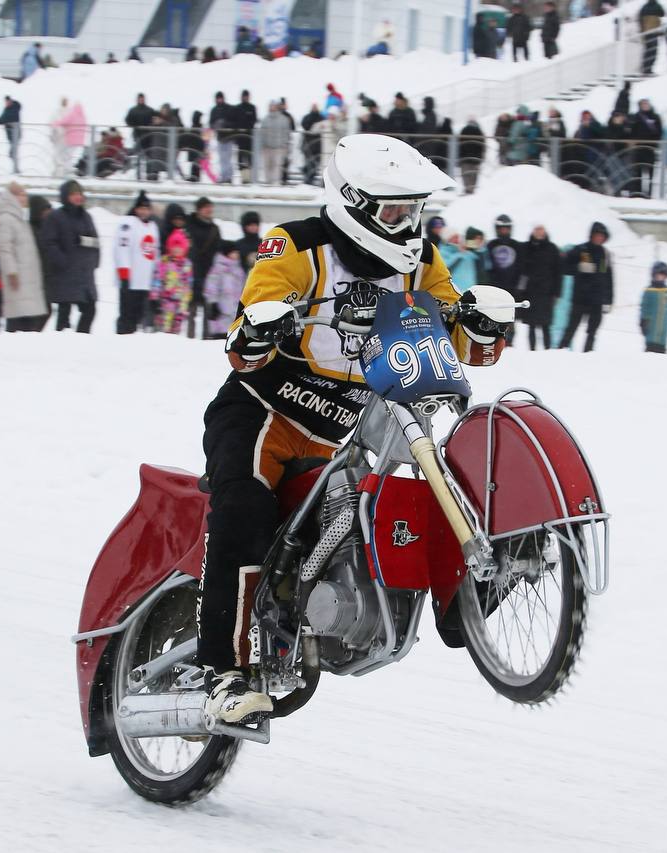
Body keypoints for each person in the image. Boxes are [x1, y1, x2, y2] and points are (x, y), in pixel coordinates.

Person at [196, 134, 511, 724]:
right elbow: (246, 341)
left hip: (338, 436)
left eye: (413, 209)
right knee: (242, 510)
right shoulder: (295, 246)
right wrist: (263, 328)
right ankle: (221, 672)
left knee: (356, 530)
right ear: (353, 202)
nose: (408, 221)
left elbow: (458, 338)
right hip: (264, 414)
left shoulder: (419, 261)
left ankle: (460, 599)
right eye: (395, 210)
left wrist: (479, 325)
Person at [40, 179, 100, 333]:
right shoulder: (56, 217)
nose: (78, 197)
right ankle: (62, 342)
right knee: (64, 311)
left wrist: (94, 262)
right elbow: (48, 243)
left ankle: (81, 337)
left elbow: (95, 242)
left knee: (90, 309)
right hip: (64, 272)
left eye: (79, 193)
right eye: (73, 194)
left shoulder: (86, 217)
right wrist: (61, 260)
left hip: (84, 273)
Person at [0, 182, 49, 332]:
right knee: (18, 321)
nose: (25, 198)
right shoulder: (7, 219)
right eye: (22, 195)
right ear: (13, 197)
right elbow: (5, 248)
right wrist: (11, 271)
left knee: (29, 320)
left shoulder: (19, 219)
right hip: (18, 277)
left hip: (27, 278)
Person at [558, 221, 613, 352]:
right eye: (597, 235)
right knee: (571, 328)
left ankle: (587, 355)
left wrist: (609, 299)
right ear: (592, 235)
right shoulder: (580, 250)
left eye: (602, 236)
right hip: (580, 299)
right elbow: (564, 266)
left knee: (592, 331)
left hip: (597, 300)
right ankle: (560, 351)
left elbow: (609, 278)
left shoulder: (605, 254)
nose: (599, 238)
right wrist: (578, 268)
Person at [115, 190, 159, 334]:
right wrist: (124, 275)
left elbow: (155, 252)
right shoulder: (127, 224)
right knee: (127, 315)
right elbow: (122, 250)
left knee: (139, 316)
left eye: (147, 209)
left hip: (145, 281)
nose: (144, 212)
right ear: (136, 209)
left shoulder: (153, 227)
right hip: (130, 280)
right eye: (141, 208)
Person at [517, 224, 561, 349]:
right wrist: (520, 290)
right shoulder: (526, 247)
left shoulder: (552, 249)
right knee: (531, 324)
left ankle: (547, 350)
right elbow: (521, 269)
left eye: (541, 229)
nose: (539, 232)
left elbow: (558, 272)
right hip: (530, 292)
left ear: (545, 231)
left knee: (546, 325)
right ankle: (532, 350)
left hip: (547, 293)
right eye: (536, 229)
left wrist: (557, 293)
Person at [186, 198, 225, 338]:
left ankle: (206, 339)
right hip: (191, 272)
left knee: (207, 311)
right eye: (205, 207)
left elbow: (219, 251)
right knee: (191, 310)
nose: (209, 210)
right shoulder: (188, 225)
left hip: (209, 274)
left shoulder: (214, 229)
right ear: (198, 209)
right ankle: (188, 339)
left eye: (210, 207)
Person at [152, 229, 192, 334]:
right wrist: (154, 297)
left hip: (180, 303)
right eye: (174, 246)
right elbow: (157, 280)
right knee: (164, 330)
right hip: (165, 302)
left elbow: (188, 284)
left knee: (176, 331)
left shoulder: (187, 264)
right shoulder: (164, 262)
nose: (177, 249)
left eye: (180, 247)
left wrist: (186, 301)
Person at [639, 261, 667, 353]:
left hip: (663, 329)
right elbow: (644, 307)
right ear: (653, 275)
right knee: (651, 350)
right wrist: (643, 321)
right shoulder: (649, 291)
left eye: (663, 276)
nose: (660, 278)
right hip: (651, 328)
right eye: (658, 275)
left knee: (661, 350)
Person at [258, 101, 293, 185]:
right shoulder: (265, 119)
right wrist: (262, 146)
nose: (271, 108)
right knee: (267, 166)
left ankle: (276, 183)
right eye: (270, 106)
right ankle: (268, 182)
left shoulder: (284, 119)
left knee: (277, 167)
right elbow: (262, 133)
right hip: (267, 148)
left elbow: (286, 133)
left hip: (279, 148)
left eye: (273, 106)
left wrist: (285, 146)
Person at [51, 98, 88, 177]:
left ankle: (66, 171)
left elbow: (65, 121)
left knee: (66, 155)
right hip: (79, 140)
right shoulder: (83, 116)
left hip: (70, 139)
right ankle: (68, 170)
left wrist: (55, 124)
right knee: (69, 155)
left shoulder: (72, 114)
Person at [230, 90, 258, 180]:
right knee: (240, 158)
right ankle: (243, 178)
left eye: (247, 96)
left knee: (250, 159)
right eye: (244, 96)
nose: (245, 97)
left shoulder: (252, 107)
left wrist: (248, 127)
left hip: (249, 138)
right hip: (240, 139)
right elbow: (233, 121)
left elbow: (254, 120)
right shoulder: (237, 108)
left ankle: (250, 178)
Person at [458, 118, 486, 194]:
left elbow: (459, 144)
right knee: (474, 174)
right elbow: (483, 145)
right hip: (476, 157)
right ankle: (472, 188)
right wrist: (482, 156)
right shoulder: (479, 131)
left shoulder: (464, 130)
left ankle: (467, 188)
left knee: (466, 173)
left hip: (465, 156)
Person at [0, 97, 22, 173]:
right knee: (12, 153)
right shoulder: (7, 109)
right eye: (6, 102)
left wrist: (0, 121)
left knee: (13, 152)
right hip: (10, 135)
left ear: (11, 101)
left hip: (15, 134)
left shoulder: (14, 108)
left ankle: (16, 170)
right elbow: (2, 118)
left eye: (8, 102)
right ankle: (16, 169)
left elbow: (8, 118)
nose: (6, 103)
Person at [640, 0, 665, 75]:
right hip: (654, 32)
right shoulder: (657, 6)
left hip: (646, 32)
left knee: (647, 51)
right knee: (653, 52)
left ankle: (645, 69)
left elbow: (640, 19)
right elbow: (662, 13)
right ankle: (648, 69)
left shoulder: (644, 7)